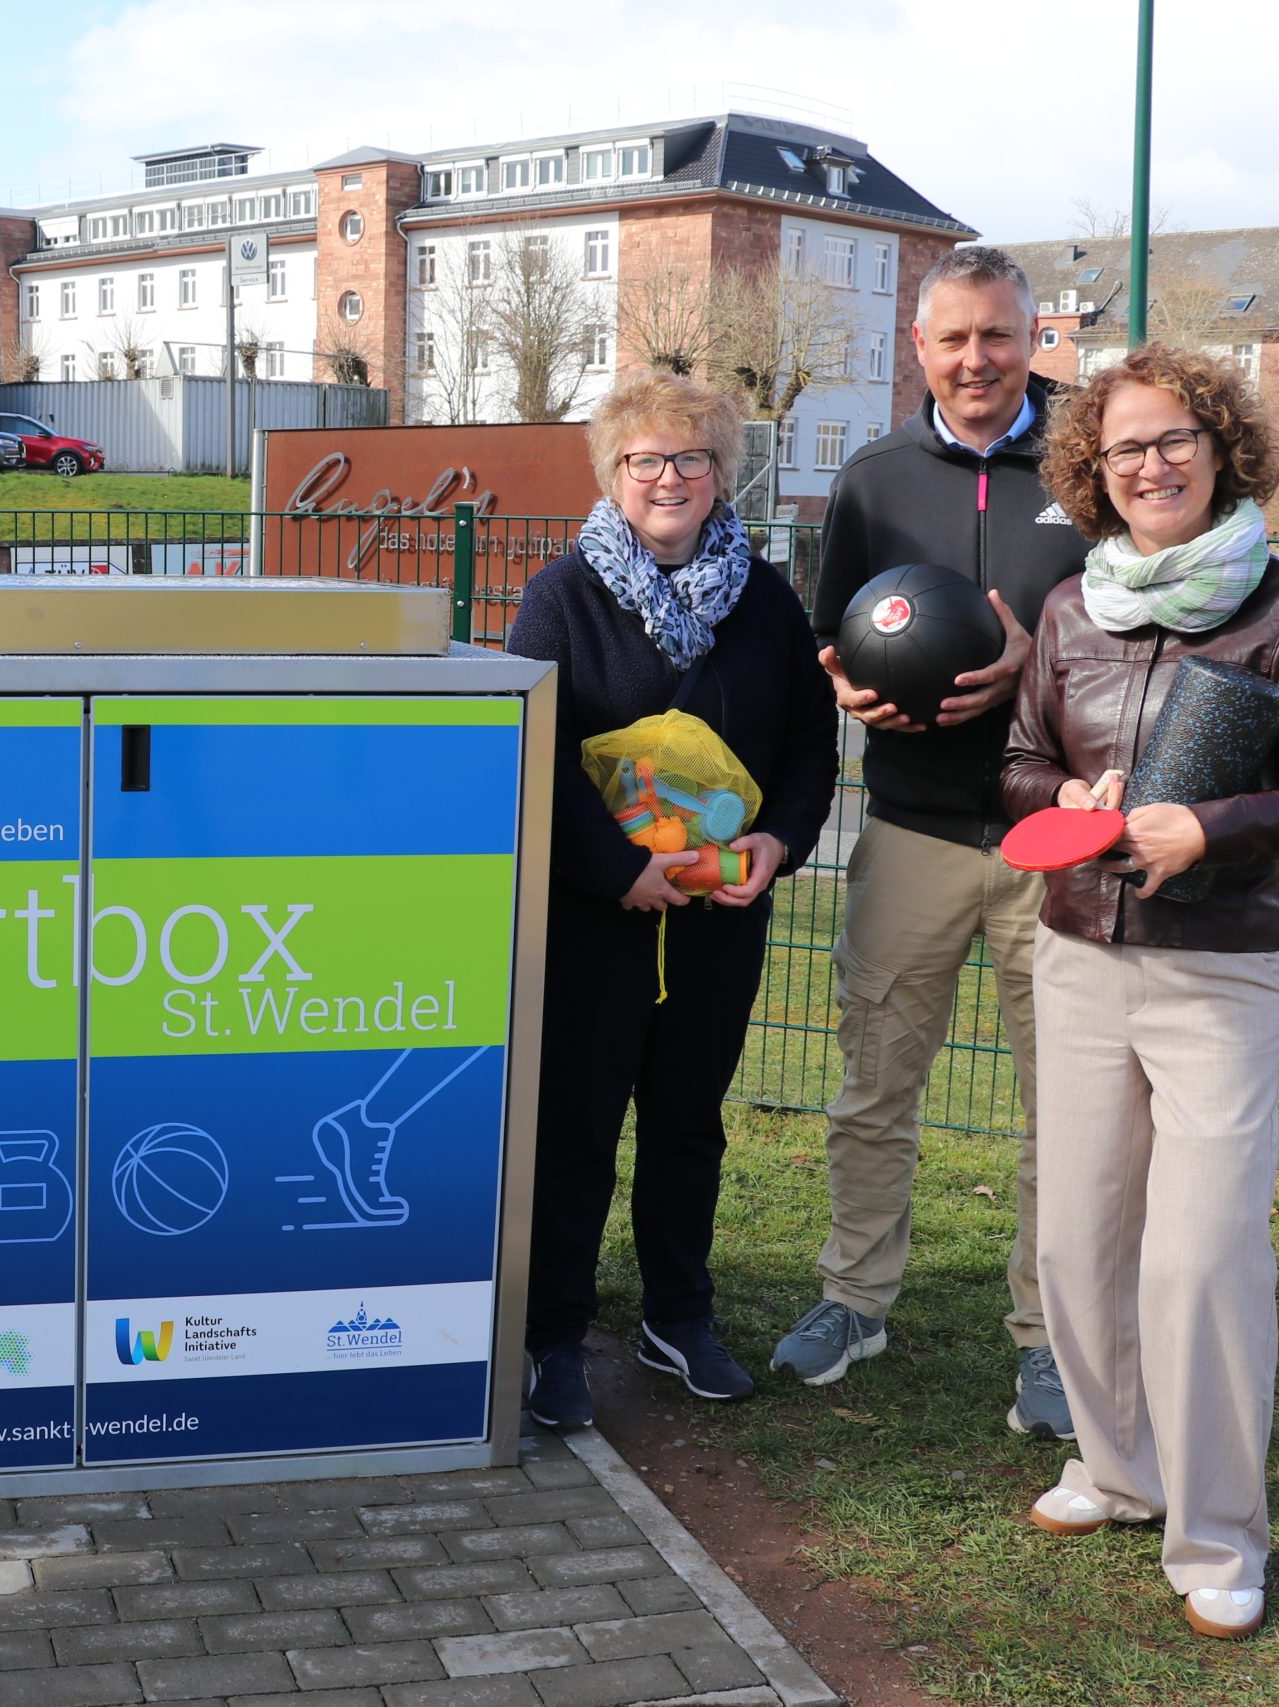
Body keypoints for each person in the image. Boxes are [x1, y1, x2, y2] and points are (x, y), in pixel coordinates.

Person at [1002, 345, 1279, 1640]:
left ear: (1219, 448)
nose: (1150, 465)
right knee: (1075, 1242)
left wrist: (1206, 828)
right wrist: (1068, 797)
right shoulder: (1069, 607)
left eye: (1173, 440)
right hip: (1079, 953)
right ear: (1092, 470)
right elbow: (1021, 762)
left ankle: (1217, 1534)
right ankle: (1117, 1470)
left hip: (1218, 968)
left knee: (1201, 1255)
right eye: (1124, 447)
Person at [778, 247, 1090, 1439]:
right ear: (917, 345)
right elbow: (834, 637)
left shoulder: (1089, 461)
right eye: (951, 337)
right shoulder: (871, 480)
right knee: (874, 1080)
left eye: (997, 335)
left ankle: (1049, 1338)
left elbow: (1135, 632)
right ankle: (853, 1299)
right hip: (912, 825)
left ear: (1031, 338)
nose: (975, 359)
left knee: (1067, 1106)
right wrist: (850, 686)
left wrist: (1031, 668)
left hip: (1054, 833)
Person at [506, 371, 837, 1428]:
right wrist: (615, 869)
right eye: (643, 459)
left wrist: (779, 841)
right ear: (613, 473)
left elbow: (810, 742)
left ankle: (677, 1316)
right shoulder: (562, 597)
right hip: (593, 919)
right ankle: (551, 1335)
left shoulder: (767, 600)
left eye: (690, 457)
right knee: (574, 1130)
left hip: (716, 923)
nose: (668, 477)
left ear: (720, 472)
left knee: (689, 1125)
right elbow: (538, 751)